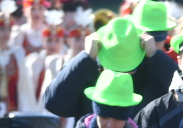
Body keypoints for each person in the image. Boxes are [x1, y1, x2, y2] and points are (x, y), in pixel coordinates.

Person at [42, 14, 174, 121]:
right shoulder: (87, 70)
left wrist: (156, 57)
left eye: (128, 70)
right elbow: (54, 104)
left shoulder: (153, 73)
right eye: (112, 70)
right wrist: (85, 58)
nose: (119, 76)